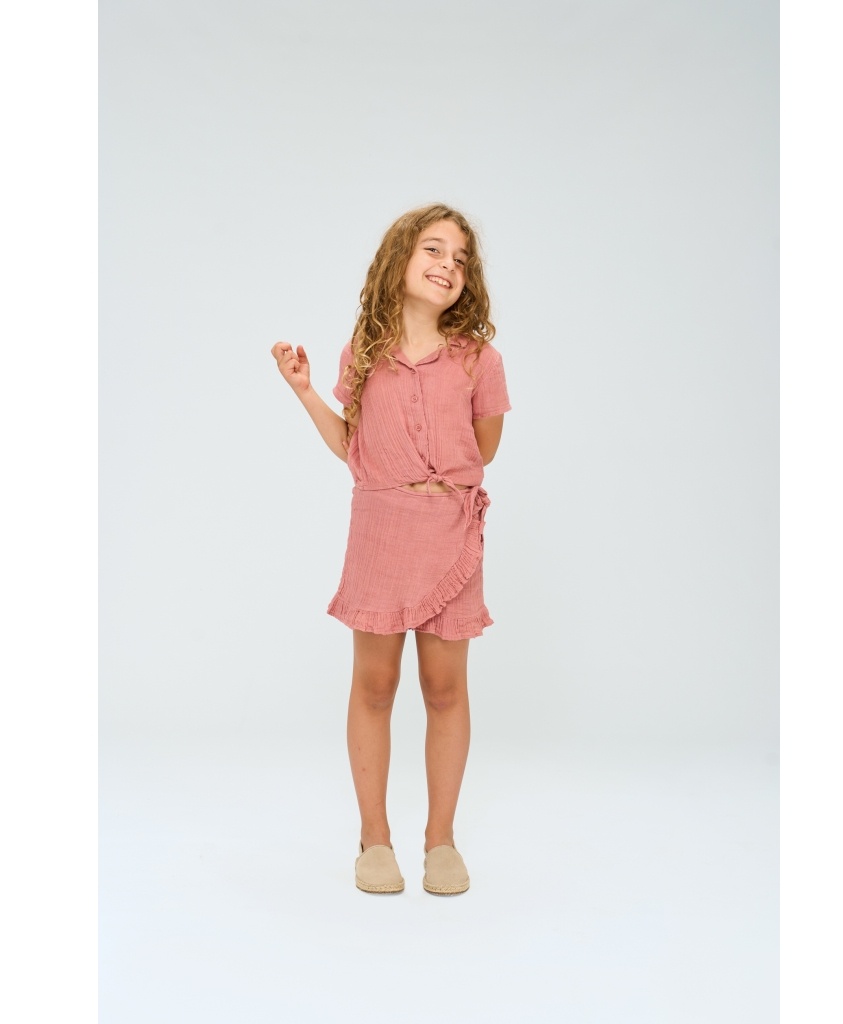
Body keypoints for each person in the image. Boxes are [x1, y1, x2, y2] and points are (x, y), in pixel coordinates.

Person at [271, 204, 510, 895]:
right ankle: (374, 837)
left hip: (449, 532)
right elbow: (354, 447)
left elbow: (484, 450)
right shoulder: (363, 351)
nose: (448, 265)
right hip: (380, 528)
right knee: (375, 686)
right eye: (433, 249)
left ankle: (441, 839)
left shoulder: (480, 360)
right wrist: (305, 392)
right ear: (399, 258)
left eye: (460, 258)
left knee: (445, 688)